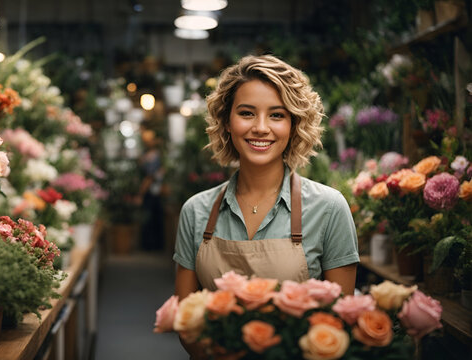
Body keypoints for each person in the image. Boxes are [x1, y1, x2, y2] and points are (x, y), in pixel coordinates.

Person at [173, 54, 359, 358]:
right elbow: (185, 321)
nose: (261, 128)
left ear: (294, 123)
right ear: (226, 122)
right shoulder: (196, 211)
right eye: (246, 113)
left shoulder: (328, 209)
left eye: (277, 115)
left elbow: (339, 322)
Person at [135, 129, 165, 251]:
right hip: (153, 192)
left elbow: (149, 177)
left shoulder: (153, 156)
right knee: (153, 218)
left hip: (151, 192)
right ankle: (154, 245)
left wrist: (140, 194)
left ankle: (151, 246)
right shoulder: (151, 154)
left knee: (150, 219)